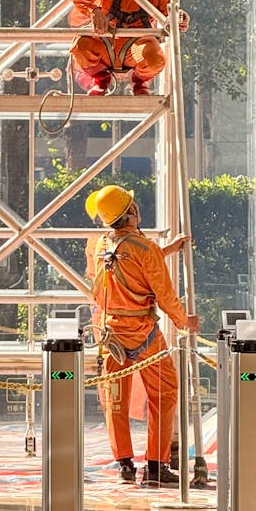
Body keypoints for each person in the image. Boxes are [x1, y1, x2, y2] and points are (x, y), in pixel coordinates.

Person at [85, 183, 200, 486]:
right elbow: (164, 294)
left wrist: (167, 250)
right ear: (131, 213)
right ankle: (156, 466)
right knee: (164, 393)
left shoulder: (98, 246)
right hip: (144, 335)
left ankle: (124, 465)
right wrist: (184, 320)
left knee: (116, 400)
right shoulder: (145, 249)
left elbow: (127, 260)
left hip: (111, 336)